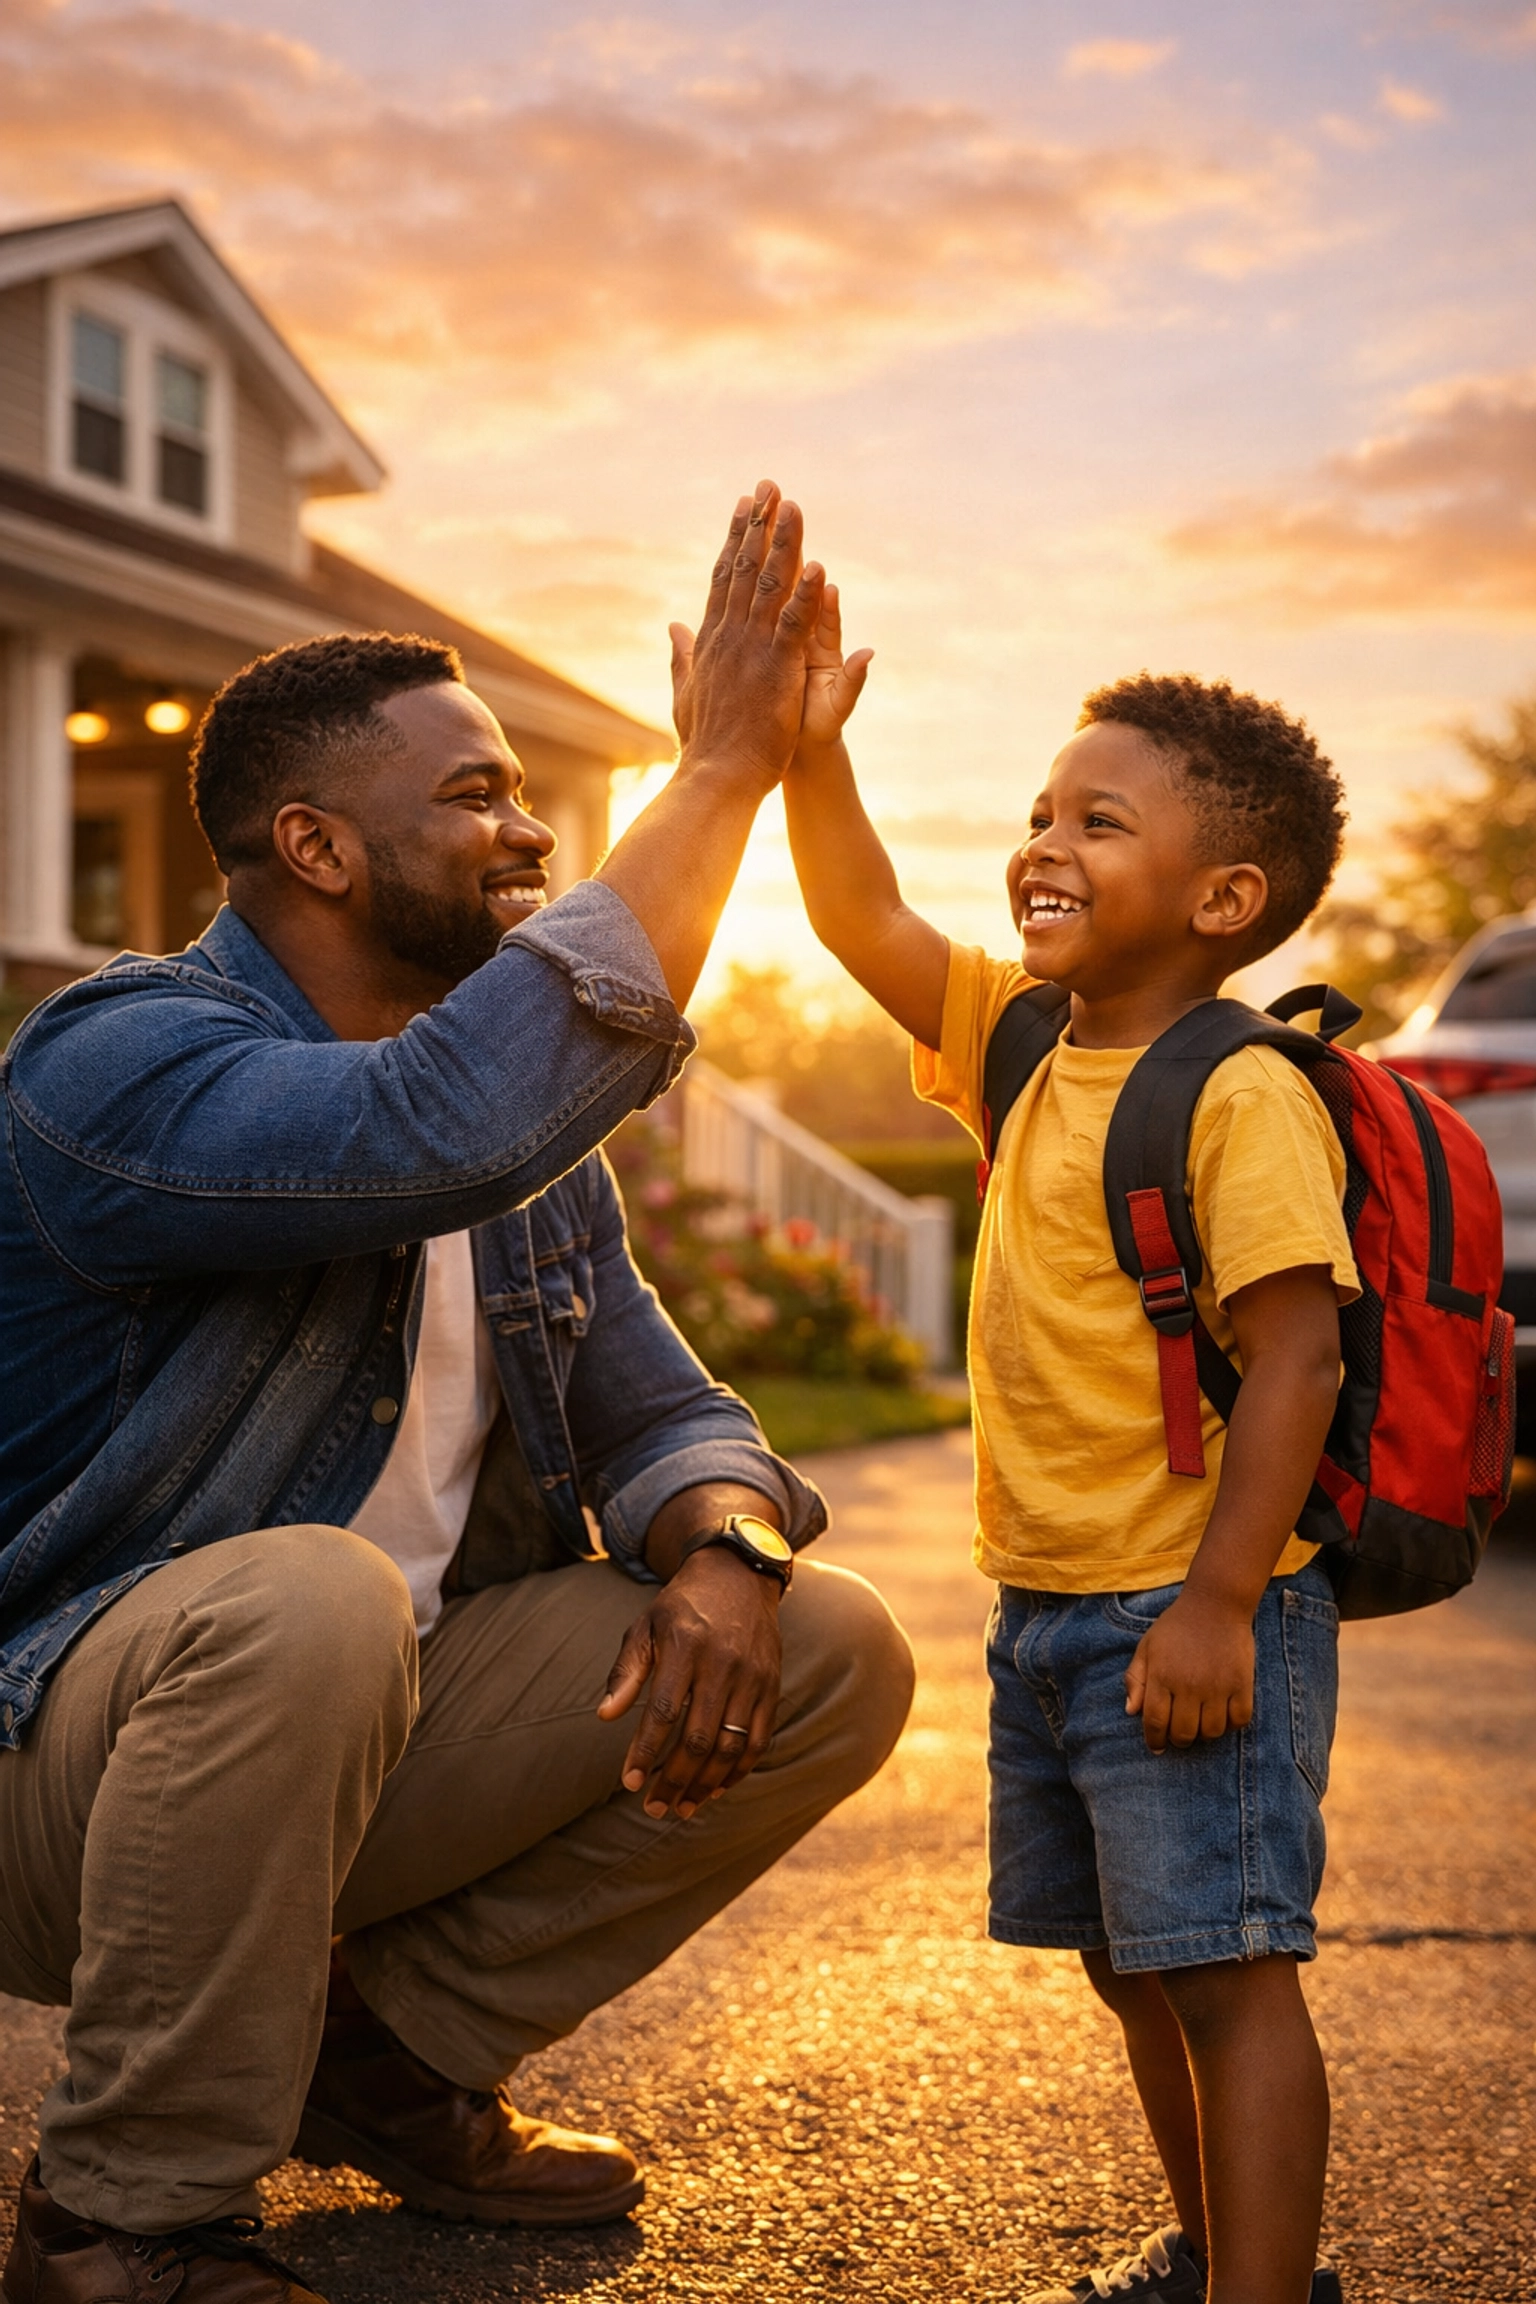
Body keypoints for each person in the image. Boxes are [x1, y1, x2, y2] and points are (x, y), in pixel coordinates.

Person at [0, 487, 914, 2304]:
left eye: (524, 789)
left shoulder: (524, 1154)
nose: (528, 832)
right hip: (57, 1772)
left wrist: (729, 1544)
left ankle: (385, 2057)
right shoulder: (114, 1061)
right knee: (308, 1594)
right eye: (476, 798)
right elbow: (424, 1129)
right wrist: (721, 772)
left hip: (352, 1742)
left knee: (832, 1641)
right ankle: (123, 2220)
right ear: (318, 849)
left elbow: (666, 1409)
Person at [782, 601, 1356, 2304]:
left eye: (1099, 821)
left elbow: (1300, 1355)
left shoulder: (1240, 1093)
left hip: (1182, 1616)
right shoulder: (1025, 1044)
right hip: (1045, 1613)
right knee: (1133, 1963)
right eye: (1042, 811)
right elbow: (855, 912)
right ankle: (1213, 2258)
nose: (1044, 843)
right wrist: (817, 754)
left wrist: (1217, 1604)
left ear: (1223, 898)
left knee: (1233, 1972)